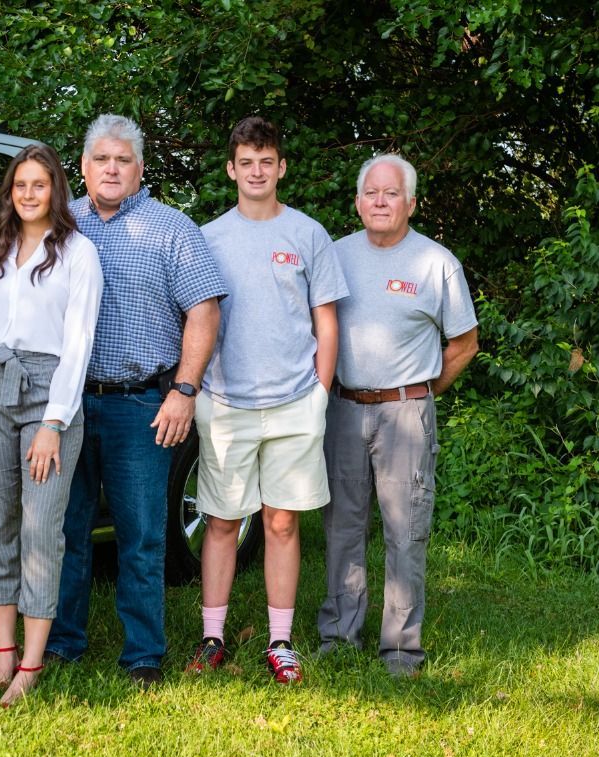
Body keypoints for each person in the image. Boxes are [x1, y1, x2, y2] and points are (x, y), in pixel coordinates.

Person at [45, 114, 226, 687]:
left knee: (142, 534)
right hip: (67, 405)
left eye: (123, 160)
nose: (112, 169)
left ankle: (143, 654)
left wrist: (183, 390)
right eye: (102, 159)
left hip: (141, 404)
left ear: (140, 169)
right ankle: (62, 644)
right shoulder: (59, 225)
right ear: (83, 167)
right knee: (66, 530)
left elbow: (204, 310)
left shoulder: (172, 229)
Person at [189, 116, 347, 684]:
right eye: (246, 162)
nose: (257, 172)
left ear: (281, 167)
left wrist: (320, 394)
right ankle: (213, 637)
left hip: (294, 403)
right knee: (223, 521)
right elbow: (194, 320)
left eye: (267, 161)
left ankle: (280, 642)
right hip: (226, 401)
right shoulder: (206, 238)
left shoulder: (308, 234)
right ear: (231, 169)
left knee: (281, 523)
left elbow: (325, 322)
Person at [0, 144, 103, 706]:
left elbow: (78, 345)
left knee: (40, 527)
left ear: (55, 190)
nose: (29, 194)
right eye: (20, 185)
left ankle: (32, 663)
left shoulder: (78, 254)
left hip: (47, 391)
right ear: (10, 192)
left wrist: (53, 423)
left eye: (40, 184)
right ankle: (4, 652)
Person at [318, 153, 478, 677]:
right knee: (342, 525)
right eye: (371, 193)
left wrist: (422, 392)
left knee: (405, 529)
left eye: (391, 194)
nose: (380, 202)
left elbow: (464, 342)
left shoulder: (435, 263)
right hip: (342, 407)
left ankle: (401, 649)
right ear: (358, 201)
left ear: (411, 202)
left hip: (406, 413)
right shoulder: (334, 255)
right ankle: (340, 635)